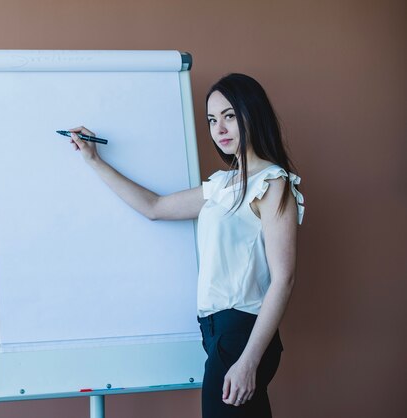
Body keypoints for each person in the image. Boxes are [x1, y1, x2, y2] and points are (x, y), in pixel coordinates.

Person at [67, 73, 304, 418]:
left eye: (229, 116)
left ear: (252, 114)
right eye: (212, 119)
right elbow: (155, 207)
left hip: (241, 335)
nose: (219, 128)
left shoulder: (272, 182)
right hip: (217, 335)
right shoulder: (223, 185)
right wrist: (94, 160)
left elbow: (284, 278)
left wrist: (248, 361)